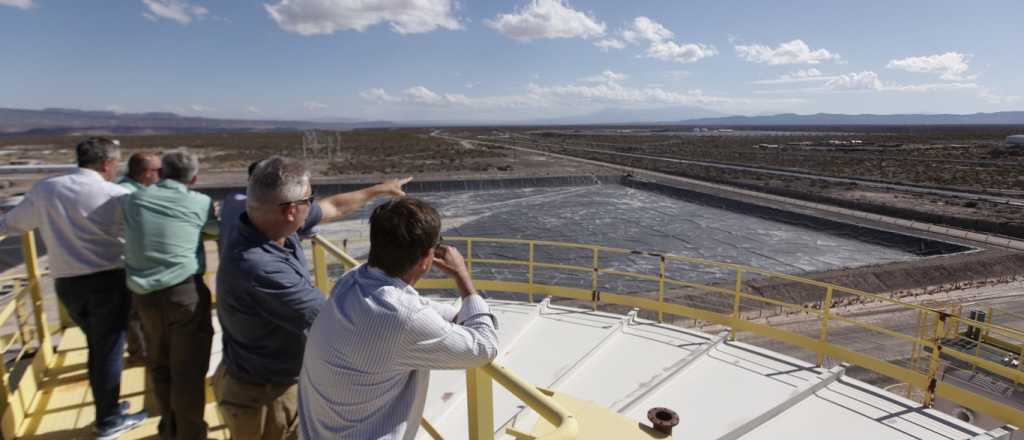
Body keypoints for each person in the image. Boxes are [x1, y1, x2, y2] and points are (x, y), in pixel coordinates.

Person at [214, 156, 410, 440]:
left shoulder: (269, 226)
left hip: (269, 379)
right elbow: (333, 318)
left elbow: (334, 206)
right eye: (309, 199)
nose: (314, 204)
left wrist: (380, 189)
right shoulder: (259, 267)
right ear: (292, 210)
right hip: (266, 397)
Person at [298, 197, 498, 439]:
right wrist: (462, 276)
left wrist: (459, 314)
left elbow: (416, 308)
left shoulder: (351, 280)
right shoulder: (404, 318)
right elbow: (484, 347)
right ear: (427, 258)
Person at [0, 137, 147, 439]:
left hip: (67, 284)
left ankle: (110, 405)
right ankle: (108, 421)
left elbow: (15, 224)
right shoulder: (116, 194)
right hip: (109, 281)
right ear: (107, 163)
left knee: (98, 347)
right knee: (107, 351)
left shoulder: (47, 189)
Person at [122, 151, 218, 440]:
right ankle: (191, 434)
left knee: (160, 363)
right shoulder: (199, 203)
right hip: (183, 294)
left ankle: (169, 427)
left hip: (145, 297)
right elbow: (214, 230)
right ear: (194, 178)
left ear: (160, 173)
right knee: (187, 370)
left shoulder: (134, 200)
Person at [116, 151, 161, 363]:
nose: (161, 175)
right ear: (146, 173)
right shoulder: (127, 194)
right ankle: (141, 353)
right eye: (157, 171)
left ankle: (142, 350)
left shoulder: (128, 188)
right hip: (128, 259)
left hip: (131, 258)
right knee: (134, 311)